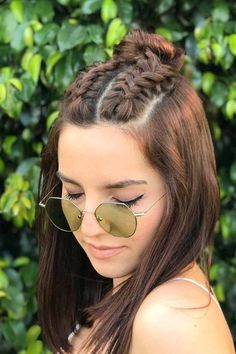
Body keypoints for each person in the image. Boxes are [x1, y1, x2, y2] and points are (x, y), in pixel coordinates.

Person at [37, 29, 235, 354]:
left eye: (124, 201)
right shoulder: (122, 289)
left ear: (182, 192)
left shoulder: (171, 322)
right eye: (73, 194)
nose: (89, 228)